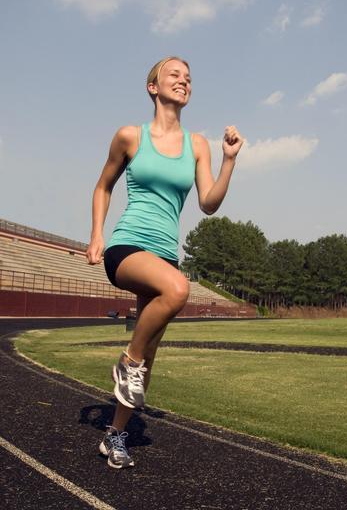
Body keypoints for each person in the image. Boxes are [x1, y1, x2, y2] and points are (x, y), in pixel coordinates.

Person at [86, 56, 243, 468]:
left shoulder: (197, 145)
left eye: (189, 78)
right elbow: (103, 187)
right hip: (126, 247)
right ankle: (126, 361)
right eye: (174, 74)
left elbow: (208, 203)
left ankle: (115, 435)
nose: (183, 81)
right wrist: (97, 234)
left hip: (164, 253)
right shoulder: (130, 136)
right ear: (153, 86)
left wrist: (229, 160)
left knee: (149, 353)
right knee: (177, 289)